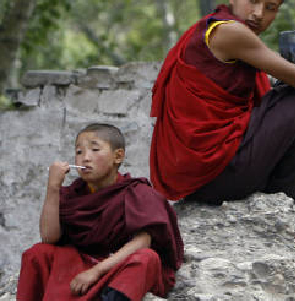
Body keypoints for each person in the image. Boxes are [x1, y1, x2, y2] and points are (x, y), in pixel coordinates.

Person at [150, 0, 295, 206]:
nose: (259, 14)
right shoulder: (229, 32)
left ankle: (288, 204)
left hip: (204, 176)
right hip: (215, 173)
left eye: (270, 9)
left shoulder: (212, 28)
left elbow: (263, 107)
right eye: (253, 0)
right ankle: (291, 204)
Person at [17, 123, 183, 301]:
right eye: (79, 152)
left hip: (117, 266)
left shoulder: (138, 192)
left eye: (95, 150)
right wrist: (53, 187)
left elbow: (142, 242)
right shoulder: (72, 194)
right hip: (78, 264)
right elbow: (49, 238)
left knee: (146, 258)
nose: (85, 158)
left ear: (118, 156)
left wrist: (96, 271)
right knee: (37, 253)